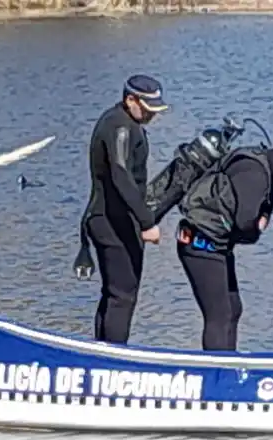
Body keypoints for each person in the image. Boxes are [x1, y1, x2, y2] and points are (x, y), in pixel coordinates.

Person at [175, 137, 273, 351]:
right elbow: (244, 223)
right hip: (200, 245)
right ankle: (217, 374)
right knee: (219, 315)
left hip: (215, 245)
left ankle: (228, 365)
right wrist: (258, 228)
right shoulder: (255, 174)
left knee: (233, 308)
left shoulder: (260, 165)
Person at [82, 74, 168, 344]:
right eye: (147, 109)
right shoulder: (119, 128)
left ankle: (101, 352)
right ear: (130, 99)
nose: (151, 116)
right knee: (123, 295)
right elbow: (121, 175)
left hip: (109, 219)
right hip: (111, 221)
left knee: (113, 293)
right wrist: (146, 222)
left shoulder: (123, 122)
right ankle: (113, 359)